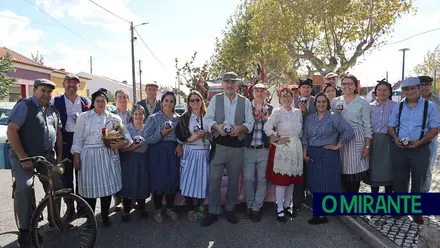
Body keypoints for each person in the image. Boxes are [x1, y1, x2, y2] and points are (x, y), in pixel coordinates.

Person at [7, 79, 62, 247]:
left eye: (49, 92)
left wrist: (58, 160)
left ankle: (54, 220)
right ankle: (26, 230)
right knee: (25, 187)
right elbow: (11, 130)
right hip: (23, 156)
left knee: (57, 186)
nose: (46, 94)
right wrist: (22, 156)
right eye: (43, 90)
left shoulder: (52, 109)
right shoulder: (25, 105)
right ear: (35, 90)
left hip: (46, 156)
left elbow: (58, 135)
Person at [71, 89, 132, 227]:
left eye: (103, 101)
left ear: (107, 102)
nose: (100, 103)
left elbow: (127, 136)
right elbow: (78, 139)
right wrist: (76, 157)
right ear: (93, 102)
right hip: (89, 155)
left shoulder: (114, 117)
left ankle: (105, 216)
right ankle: (91, 218)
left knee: (106, 190)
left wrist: (123, 142)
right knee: (90, 189)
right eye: (98, 100)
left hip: (107, 155)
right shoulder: (84, 117)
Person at [201, 72, 254, 227]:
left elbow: (250, 123)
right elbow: (207, 120)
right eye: (227, 82)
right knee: (215, 180)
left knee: (233, 181)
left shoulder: (245, 102)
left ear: (237, 84)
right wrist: (217, 126)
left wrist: (240, 128)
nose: (230, 85)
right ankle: (213, 211)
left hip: (237, 147)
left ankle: (230, 209)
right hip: (219, 145)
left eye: (233, 82)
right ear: (222, 84)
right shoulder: (214, 100)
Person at [388, 77, 440, 224]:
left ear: (418, 89)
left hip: (421, 147)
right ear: (403, 92)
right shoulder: (397, 106)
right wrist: (395, 137)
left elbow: (435, 128)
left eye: (412, 88)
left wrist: (420, 142)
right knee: (399, 178)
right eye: (406, 89)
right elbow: (391, 126)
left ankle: (416, 210)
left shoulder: (429, 106)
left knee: (419, 179)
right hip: (399, 147)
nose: (409, 91)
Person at [302, 92, 354, 225]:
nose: (321, 104)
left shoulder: (334, 117)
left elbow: (349, 132)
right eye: (318, 102)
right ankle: (320, 211)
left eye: (324, 102)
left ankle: (321, 215)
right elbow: (305, 137)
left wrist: (337, 146)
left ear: (328, 104)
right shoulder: (309, 118)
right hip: (312, 154)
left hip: (328, 154)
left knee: (327, 184)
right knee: (315, 184)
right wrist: (305, 154)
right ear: (315, 104)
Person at [51, 74, 91, 219]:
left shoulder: (85, 101)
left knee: (82, 175)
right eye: (68, 82)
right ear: (63, 84)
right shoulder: (55, 100)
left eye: (74, 83)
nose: (71, 85)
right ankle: (70, 208)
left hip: (82, 141)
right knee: (66, 177)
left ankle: (82, 207)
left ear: (78, 86)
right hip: (65, 141)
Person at [264, 87, 304, 222]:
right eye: (283, 96)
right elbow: (267, 127)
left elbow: (301, 130)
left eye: (289, 96)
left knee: (291, 181)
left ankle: (287, 206)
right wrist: (276, 139)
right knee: (282, 181)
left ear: (293, 97)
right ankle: (279, 208)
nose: (287, 98)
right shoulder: (277, 112)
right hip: (283, 148)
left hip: (296, 148)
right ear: (280, 99)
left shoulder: (298, 112)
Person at [145, 91, 183, 223]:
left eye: (171, 101)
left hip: (172, 153)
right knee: (158, 181)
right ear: (162, 102)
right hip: (157, 152)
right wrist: (161, 134)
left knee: (172, 180)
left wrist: (179, 144)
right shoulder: (154, 118)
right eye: (166, 100)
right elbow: (146, 138)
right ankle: (157, 210)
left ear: (174, 104)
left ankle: (170, 209)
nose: (169, 103)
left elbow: (182, 136)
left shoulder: (178, 118)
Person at [331, 74, 372, 193]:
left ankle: (353, 205)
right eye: (344, 84)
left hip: (357, 139)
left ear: (355, 86)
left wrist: (367, 146)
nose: (347, 86)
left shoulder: (362, 102)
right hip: (340, 138)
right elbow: (332, 120)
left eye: (350, 84)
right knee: (341, 171)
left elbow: (367, 126)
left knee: (354, 175)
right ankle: (344, 205)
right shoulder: (335, 101)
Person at [175, 90, 211, 222]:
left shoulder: (208, 116)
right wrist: (192, 138)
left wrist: (205, 135)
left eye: (197, 100)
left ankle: (200, 210)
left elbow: (215, 135)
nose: (195, 102)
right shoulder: (184, 118)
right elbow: (179, 136)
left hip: (204, 152)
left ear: (201, 101)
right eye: (192, 100)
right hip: (189, 151)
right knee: (188, 182)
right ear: (188, 103)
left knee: (202, 182)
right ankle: (190, 210)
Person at [242, 83, 273, 222]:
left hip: (264, 149)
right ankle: (249, 204)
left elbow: (275, 127)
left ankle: (256, 207)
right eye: (257, 90)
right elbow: (241, 126)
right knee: (248, 179)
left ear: (266, 93)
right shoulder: (246, 107)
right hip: (248, 148)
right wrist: (251, 121)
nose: (260, 93)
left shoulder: (271, 109)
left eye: (262, 91)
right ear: (253, 93)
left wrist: (266, 119)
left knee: (262, 180)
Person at [118, 104, 150, 222]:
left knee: (142, 182)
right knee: (128, 182)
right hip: (130, 158)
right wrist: (132, 147)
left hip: (143, 158)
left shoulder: (147, 128)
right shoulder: (126, 127)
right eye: (136, 114)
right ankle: (126, 210)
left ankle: (142, 208)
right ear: (132, 115)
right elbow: (122, 146)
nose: (138, 116)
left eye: (141, 114)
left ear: (144, 115)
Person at [367, 80, 396, 193]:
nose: (382, 92)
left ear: (389, 92)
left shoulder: (395, 106)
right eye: (379, 90)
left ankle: (388, 202)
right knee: (374, 172)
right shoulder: (369, 107)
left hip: (389, 141)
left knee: (389, 171)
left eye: (385, 90)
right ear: (375, 92)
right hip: (373, 141)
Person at [292, 78, 316, 211]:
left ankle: (311, 198)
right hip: (298, 140)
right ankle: (297, 200)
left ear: (311, 89)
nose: (306, 89)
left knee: (312, 169)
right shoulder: (294, 102)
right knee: (298, 170)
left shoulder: (316, 101)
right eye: (303, 87)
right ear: (299, 89)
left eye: (308, 87)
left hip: (313, 140)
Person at [111, 89, 132, 211]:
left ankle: (128, 199)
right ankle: (117, 199)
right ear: (115, 99)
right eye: (120, 97)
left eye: (124, 97)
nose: (122, 100)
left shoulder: (132, 114)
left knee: (127, 173)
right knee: (116, 173)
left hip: (129, 147)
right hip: (115, 148)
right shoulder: (111, 114)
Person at [419, 76, 440, 192]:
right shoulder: (411, 101)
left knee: (426, 170)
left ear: (431, 86)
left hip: (431, 142)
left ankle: (425, 195)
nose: (424, 87)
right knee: (411, 170)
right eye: (421, 85)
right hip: (413, 141)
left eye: (427, 84)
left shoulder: (437, 101)